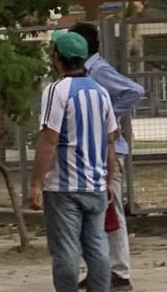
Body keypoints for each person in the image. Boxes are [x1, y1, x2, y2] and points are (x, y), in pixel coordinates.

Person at [29, 31, 118, 292]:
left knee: (65, 250)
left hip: (63, 187)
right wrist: (109, 180)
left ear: (57, 58)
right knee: (97, 247)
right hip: (96, 185)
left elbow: (49, 139)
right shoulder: (101, 92)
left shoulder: (56, 91)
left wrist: (36, 183)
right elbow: (110, 140)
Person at [69, 22, 142, 292]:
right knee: (96, 214)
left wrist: (109, 116)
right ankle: (101, 269)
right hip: (94, 152)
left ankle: (119, 272)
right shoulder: (84, 72)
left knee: (112, 212)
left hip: (109, 151)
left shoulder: (98, 70)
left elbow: (134, 91)